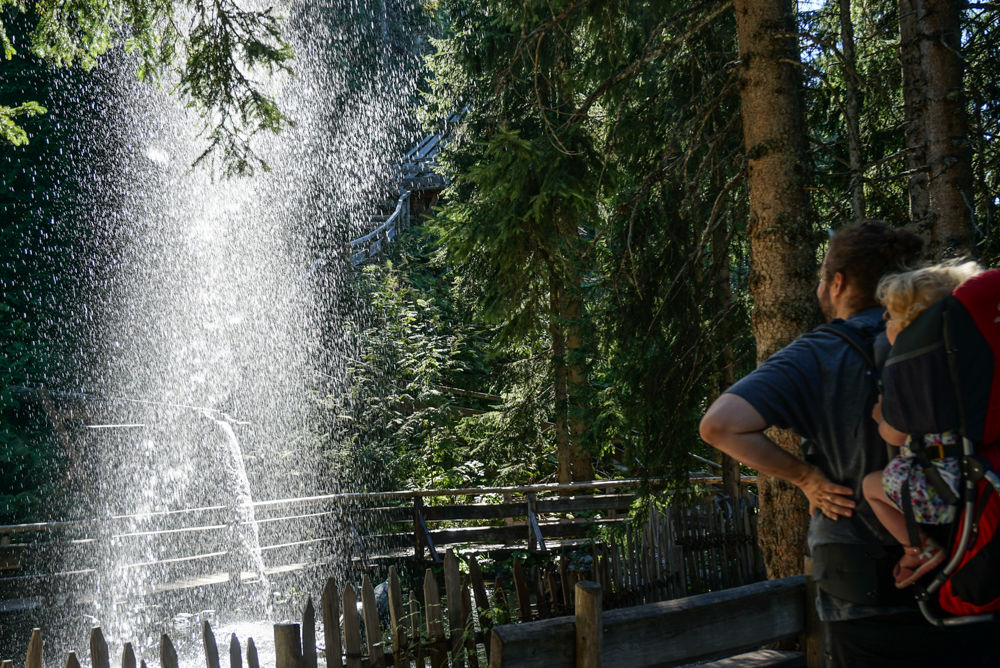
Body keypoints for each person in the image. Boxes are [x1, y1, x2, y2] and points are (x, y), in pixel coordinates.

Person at [699, 220, 1000, 667]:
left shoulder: (818, 353)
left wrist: (806, 478)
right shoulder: (958, 338)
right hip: (974, 567)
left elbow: (720, 425)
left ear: (837, 283)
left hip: (866, 589)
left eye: (824, 276)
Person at [862, 261, 982, 588]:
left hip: (943, 487)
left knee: (871, 486)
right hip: (984, 475)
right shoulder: (973, 361)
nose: (885, 323)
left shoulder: (916, 371)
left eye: (889, 316)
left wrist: (880, 417)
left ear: (910, 324)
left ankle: (918, 549)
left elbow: (896, 432)